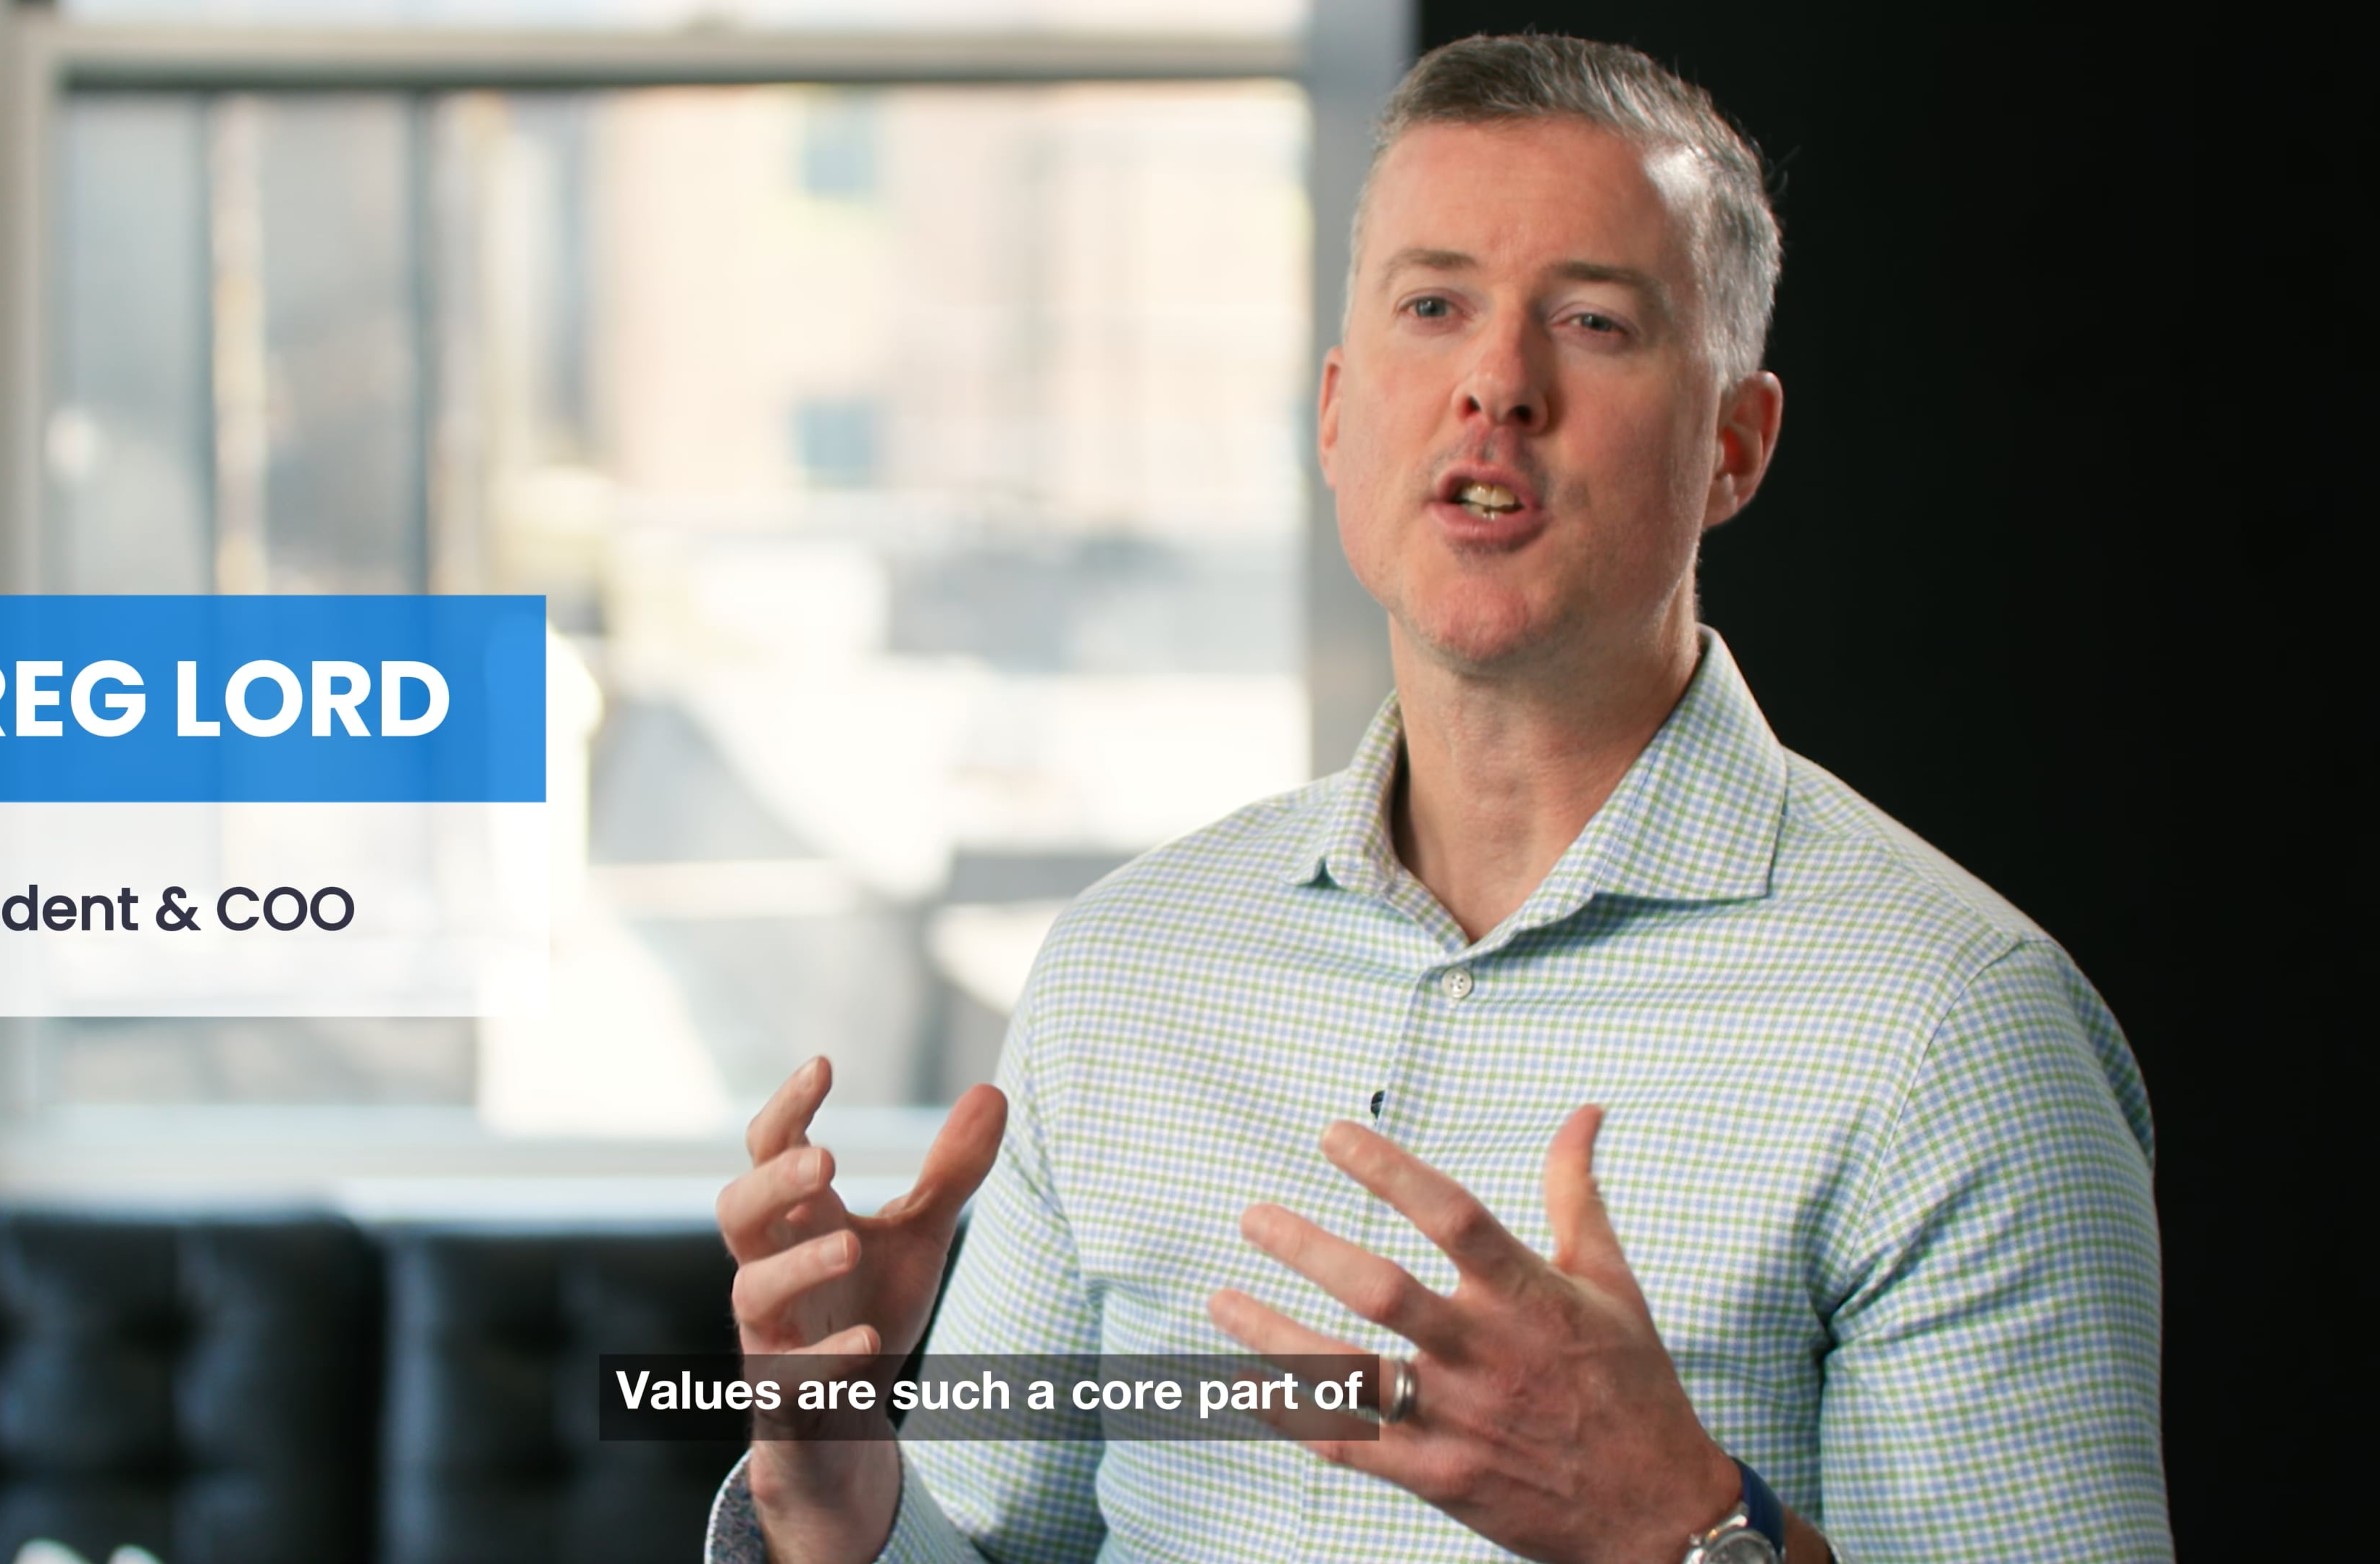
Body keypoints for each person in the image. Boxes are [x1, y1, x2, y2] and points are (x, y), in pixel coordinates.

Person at [708, 33, 2166, 1564]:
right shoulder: (1123, 971)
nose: (1498, 384)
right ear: (1338, 414)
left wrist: (1683, 1529)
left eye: (1593, 321)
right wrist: (839, 1503)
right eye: (1433, 307)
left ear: (1734, 446)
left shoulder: (1954, 1030)